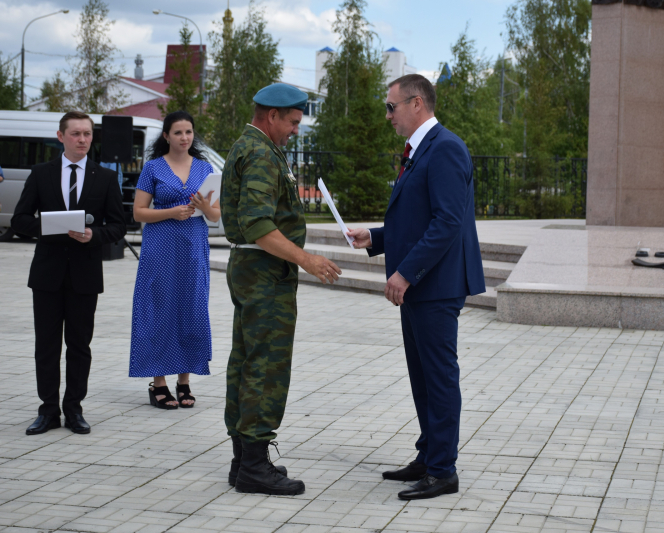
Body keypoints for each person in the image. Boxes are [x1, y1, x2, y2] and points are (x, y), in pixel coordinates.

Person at [347, 74, 486, 500]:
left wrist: (405, 273)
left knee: (439, 378)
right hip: (422, 285)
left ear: (417, 104)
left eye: (392, 107)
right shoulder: (421, 149)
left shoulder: (445, 148)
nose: (388, 115)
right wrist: (376, 236)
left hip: (436, 285)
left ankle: (443, 470)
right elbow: (419, 219)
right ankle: (429, 457)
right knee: (423, 378)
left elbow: (447, 222)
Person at [221, 83, 342, 495]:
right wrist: (306, 259)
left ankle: (243, 460)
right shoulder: (258, 152)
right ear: (271, 115)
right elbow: (258, 224)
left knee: (246, 359)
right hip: (264, 272)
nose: (294, 130)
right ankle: (254, 465)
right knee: (265, 365)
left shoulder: (250, 146)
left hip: (253, 269)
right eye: (292, 122)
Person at [11, 111, 126, 435]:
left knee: (79, 346)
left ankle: (73, 409)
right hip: (47, 274)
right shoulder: (40, 173)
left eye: (87, 134)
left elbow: (118, 226)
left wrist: (94, 236)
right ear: (61, 136)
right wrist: (48, 227)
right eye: (75, 133)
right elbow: (19, 219)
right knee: (46, 346)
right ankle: (47, 411)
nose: (82, 140)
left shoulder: (104, 177)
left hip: (85, 275)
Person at [129, 111, 218, 409]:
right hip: (160, 246)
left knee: (190, 307)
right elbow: (138, 212)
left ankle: (184, 381)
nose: (184, 138)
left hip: (193, 246)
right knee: (158, 307)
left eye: (189, 132)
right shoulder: (152, 168)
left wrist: (206, 207)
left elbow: (217, 215)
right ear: (166, 136)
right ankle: (159, 382)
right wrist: (170, 212)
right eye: (178, 132)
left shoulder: (205, 169)